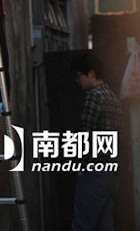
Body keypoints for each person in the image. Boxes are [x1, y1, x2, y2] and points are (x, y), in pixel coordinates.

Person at [70, 52, 123, 231]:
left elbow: (85, 134)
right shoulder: (112, 97)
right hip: (111, 171)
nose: (78, 81)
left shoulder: (93, 96)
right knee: (105, 225)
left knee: (83, 225)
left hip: (94, 170)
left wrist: (80, 165)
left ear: (91, 73)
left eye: (79, 76)